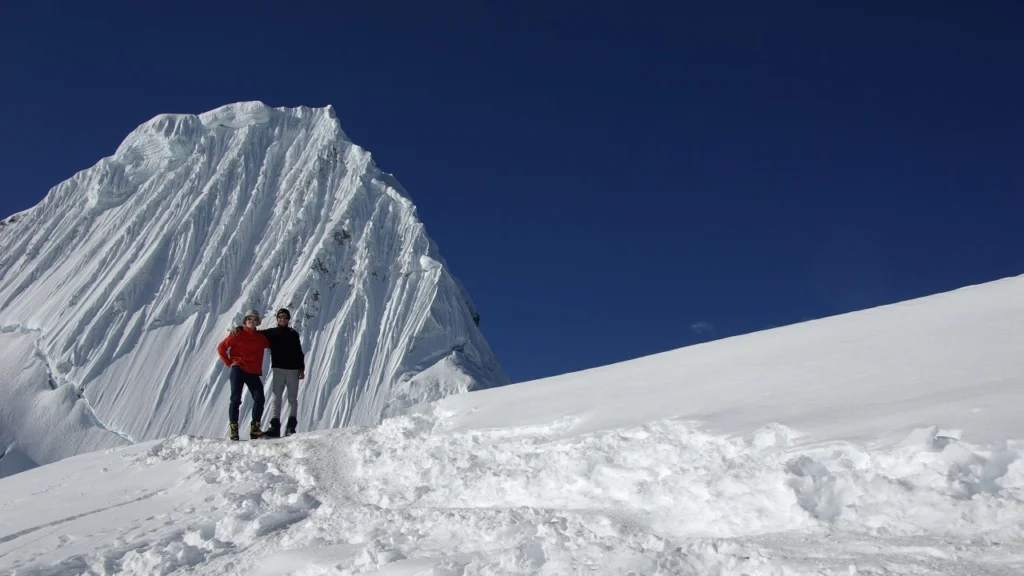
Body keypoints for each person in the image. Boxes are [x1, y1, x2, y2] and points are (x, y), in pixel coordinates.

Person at [232, 307, 305, 437]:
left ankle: (291, 427)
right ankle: (275, 427)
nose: (283, 319)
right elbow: (253, 332)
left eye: (285, 317)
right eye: (280, 317)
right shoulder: (271, 333)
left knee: (292, 399)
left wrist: (301, 368)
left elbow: (299, 352)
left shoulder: (293, 333)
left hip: (293, 370)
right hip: (278, 369)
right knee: (276, 398)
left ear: (288, 319)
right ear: (277, 319)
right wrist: (240, 328)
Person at [217, 309, 271, 440]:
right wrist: (230, 363)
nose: (252, 321)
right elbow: (221, 348)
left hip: (252, 372)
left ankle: (255, 429)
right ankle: (234, 430)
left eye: (254, 319)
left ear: (257, 322)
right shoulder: (237, 334)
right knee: (235, 399)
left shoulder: (261, 338)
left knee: (260, 399)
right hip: (238, 369)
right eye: (249, 319)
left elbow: (273, 342)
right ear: (245, 321)